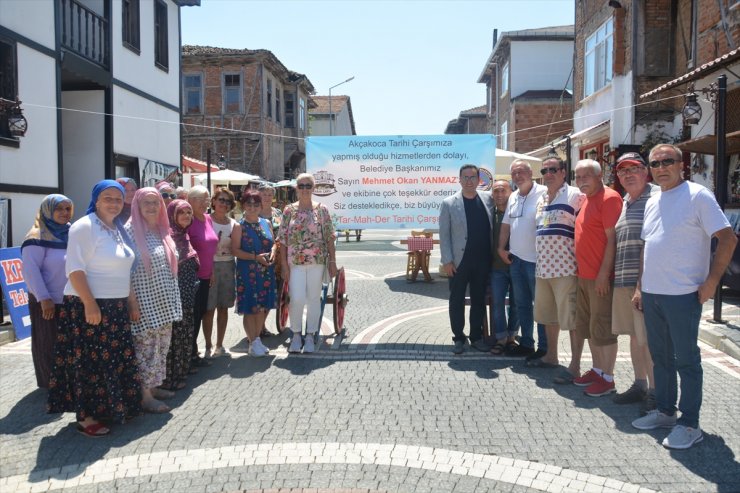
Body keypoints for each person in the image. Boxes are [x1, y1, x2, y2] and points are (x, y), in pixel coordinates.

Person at [632, 144, 737, 449]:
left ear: (682, 165)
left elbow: (727, 238)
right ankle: (665, 411)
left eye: (667, 161)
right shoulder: (653, 200)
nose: (661, 167)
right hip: (653, 294)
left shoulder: (697, 195)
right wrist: (640, 286)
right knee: (661, 358)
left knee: (687, 361)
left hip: (683, 294)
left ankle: (690, 424)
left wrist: (712, 281)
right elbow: (647, 247)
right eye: (655, 163)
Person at [47, 180, 140, 437]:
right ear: (96, 200)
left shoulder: (117, 228)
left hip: (116, 305)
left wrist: (131, 301)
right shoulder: (84, 226)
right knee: (87, 363)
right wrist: (90, 303)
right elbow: (74, 269)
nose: (113, 203)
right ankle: (85, 417)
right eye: (107, 197)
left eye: (118, 199)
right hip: (88, 305)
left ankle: (109, 407)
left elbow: (125, 269)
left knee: (110, 360)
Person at [125, 188, 182, 413]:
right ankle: (144, 395)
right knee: (144, 348)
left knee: (161, 346)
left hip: (164, 301)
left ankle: (154, 385)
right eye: (146, 203)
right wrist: (132, 303)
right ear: (137, 206)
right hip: (143, 302)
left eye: (156, 202)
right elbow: (124, 271)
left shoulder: (162, 230)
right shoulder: (129, 231)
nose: (151, 207)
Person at [610, 152, 658, 412]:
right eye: (622, 170)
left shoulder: (658, 197)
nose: (627, 174)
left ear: (645, 171)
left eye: (633, 168)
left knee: (648, 340)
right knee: (633, 336)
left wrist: (641, 284)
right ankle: (640, 384)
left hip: (646, 284)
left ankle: (656, 391)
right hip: (623, 281)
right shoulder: (626, 200)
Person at [571, 159, 622, 396]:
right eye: (578, 177)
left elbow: (611, 240)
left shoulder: (609, 198)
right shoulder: (587, 200)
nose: (581, 181)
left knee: (602, 328)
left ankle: (608, 378)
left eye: (586, 176)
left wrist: (603, 274)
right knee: (589, 327)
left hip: (599, 277)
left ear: (599, 176)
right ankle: (598, 370)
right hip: (584, 275)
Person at [530, 157, 584, 371]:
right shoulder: (542, 198)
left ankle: (575, 364)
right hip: (543, 268)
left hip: (566, 267)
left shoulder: (575, 195)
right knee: (548, 316)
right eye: (545, 170)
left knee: (571, 318)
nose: (548, 173)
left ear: (563, 172)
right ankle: (552, 356)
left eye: (553, 169)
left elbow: (584, 230)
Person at [279, 173, 337, 354]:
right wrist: (283, 264)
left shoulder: (322, 210)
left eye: (308, 186)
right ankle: (296, 334)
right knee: (296, 298)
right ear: (296, 188)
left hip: (317, 260)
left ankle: (311, 334)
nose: (304, 189)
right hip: (294, 261)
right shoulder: (289, 210)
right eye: (301, 186)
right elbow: (282, 239)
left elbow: (329, 237)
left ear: (313, 189)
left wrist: (333, 261)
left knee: (313, 299)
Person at [439, 164, 493, 354]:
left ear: (480, 180)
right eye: (465, 177)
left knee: (479, 301)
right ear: (459, 179)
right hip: (458, 262)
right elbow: (444, 235)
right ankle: (458, 338)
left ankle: (476, 337)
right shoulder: (448, 203)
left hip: (483, 261)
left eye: (473, 177)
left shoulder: (489, 200)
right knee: (456, 301)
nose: (469, 181)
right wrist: (447, 260)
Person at [21, 194, 74, 388]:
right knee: (48, 343)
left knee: (69, 343)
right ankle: (51, 384)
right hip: (48, 302)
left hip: (71, 299)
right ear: (47, 210)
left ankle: (68, 381)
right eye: (59, 208)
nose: (64, 213)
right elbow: (30, 271)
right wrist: (44, 298)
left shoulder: (71, 232)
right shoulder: (36, 237)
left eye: (68, 209)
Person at [497, 160, 547, 358]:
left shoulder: (544, 192)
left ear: (531, 172)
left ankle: (545, 347)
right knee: (522, 304)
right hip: (515, 260)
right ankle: (527, 343)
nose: (518, 176)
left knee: (541, 306)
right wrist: (501, 248)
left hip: (537, 261)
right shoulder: (514, 196)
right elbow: (506, 225)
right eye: (514, 173)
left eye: (522, 171)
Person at [232, 191, 277, 357]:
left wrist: (273, 252)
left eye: (256, 204)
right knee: (251, 308)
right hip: (248, 271)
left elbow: (273, 243)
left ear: (261, 206)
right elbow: (235, 250)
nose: (252, 207)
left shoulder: (266, 222)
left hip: (266, 269)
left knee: (262, 307)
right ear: (243, 206)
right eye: (249, 204)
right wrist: (255, 257)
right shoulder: (239, 226)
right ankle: (252, 342)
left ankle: (257, 340)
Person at [162, 199, 200, 390]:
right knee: (173, 338)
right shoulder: (167, 237)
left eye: (189, 212)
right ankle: (170, 378)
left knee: (183, 334)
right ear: (172, 215)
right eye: (181, 212)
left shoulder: (184, 236)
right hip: (172, 301)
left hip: (187, 298)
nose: (186, 216)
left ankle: (181, 373)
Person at [202, 187, 237, 357]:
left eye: (227, 201)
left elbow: (236, 249)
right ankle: (208, 345)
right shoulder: (205, 220)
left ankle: (219, 345)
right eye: (221, 199)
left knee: (223, 308)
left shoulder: (233, 224)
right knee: (209, 309)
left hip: (228, 267)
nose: (224, 203)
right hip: (209, 267)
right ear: (213, 201)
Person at [187, 185, 219, 367]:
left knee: (200, 314)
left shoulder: (207, 219)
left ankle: (193, 353)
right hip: (193, 278)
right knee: (193, 316)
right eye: (201, 199)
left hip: (207, 276)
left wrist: (212, 270)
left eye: (207, 199)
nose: (205, 203)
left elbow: (210, 248)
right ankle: (190, 354)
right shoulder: (188, 220)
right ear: (190, 201)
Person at [488, 180, 519, 354]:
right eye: (496, 191)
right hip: (496, 268)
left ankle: (512, 338)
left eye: (503, 190)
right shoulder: (488, 214)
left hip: (517, 266)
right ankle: (500, 338)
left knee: (516, 304)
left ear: (510, 192)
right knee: (498, 303)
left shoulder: (516, 212)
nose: (499, 194)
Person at [258, 182, 284, 337]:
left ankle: (262, 325)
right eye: (264, 194)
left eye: (269, 194)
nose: (267, 197)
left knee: (272, 292)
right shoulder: (254, 212)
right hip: (260, 257)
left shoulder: (278, 213)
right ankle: (257, 327)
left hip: (278, 257)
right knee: (260, 292)